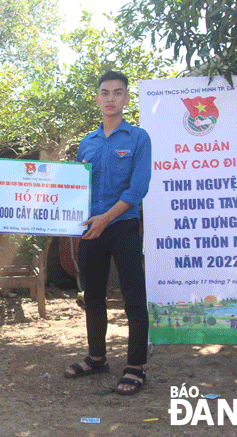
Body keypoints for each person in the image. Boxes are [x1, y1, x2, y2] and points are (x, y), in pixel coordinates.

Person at [64, 71, 151, 396]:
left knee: (133, 299)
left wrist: (105, 218)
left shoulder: (139, 138)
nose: (111, 98)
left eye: (118, 92)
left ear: (127, 98)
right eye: (105, 92)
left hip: (123, 226)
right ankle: (97, 357)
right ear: (98, 98)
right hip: (91, 231)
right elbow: (73, 189)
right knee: (94, 297)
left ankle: (135, 366)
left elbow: (138, 188)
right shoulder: (87, 143)